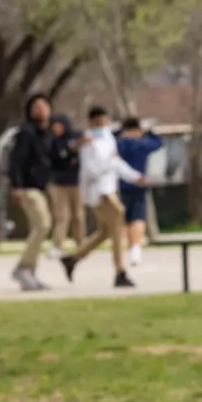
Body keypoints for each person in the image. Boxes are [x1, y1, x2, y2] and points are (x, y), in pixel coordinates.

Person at [60, 106, 146, 288]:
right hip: (98, 191)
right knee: (118, 217)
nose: (102, 125)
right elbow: (92, 170)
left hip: (109, 189)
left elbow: (116, 163)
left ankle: (73, 258)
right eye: (97, 122)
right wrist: (108, 163)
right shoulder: (88, 142)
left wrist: (134, 176)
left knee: (106, 231)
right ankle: (120, 271)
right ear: (91, 122)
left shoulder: (108, 138)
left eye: (104, 121)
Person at [7, 93, 57, 291]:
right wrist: (16, 186)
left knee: (40, 227)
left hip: (41, 187)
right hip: (28, 187)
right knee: (43, 225)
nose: (41, 109)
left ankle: (30, 274)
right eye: (36, 106)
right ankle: (22, 268)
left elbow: (53, 160)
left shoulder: (48, 134)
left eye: (44, 105)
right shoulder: (26, 133)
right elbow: (15, 162)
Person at [116, 117, 162, 267]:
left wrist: (117, 131)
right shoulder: (142, 144)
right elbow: (158, 143)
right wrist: (149, 131)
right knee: (138, 218)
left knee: (126, 219)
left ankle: (131, 246)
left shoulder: (119, 144)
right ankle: (135, 248)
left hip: (120, 185)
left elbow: (109, 138)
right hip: (139, 183)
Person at [47, 114, 85, 258]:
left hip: (76, 182)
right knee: (62, 216)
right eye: (54, 126)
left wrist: (76, 154)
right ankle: (57, 244)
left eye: (59, 125)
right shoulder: (53, 141)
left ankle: (81, 244)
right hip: (58, 184)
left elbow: (82, 155)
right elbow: (56, 159)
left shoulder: (76, 137)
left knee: (79, 215)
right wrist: (70, 153)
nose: (56, 129)